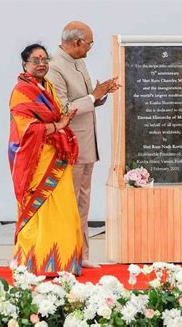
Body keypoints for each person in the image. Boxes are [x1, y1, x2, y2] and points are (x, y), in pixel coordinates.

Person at [47, 21, 120, 268]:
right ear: (77, 42)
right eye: (89, 43)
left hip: (88, 145)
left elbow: (88, 99)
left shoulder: (79, 61)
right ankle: (67, 256)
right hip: (70, 147)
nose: (90, 47)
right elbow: (62, 110)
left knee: (83, 203)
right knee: (70, 203)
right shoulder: (54, 67)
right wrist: (93, 96)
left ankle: (82, 255)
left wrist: (101, 94)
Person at [9, 44, 83, 275]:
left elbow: (56, 115)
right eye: (35, 60)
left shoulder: (47, 86)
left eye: (44, 59)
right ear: (25, 64)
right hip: (37, 159)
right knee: (39, 208)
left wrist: (63, 120)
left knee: (63, 207)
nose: (41, 64)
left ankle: (63, 263)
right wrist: (58, 125)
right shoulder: (22, 91)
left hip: (57, 155)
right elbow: (26, 128)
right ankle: (35, 262)